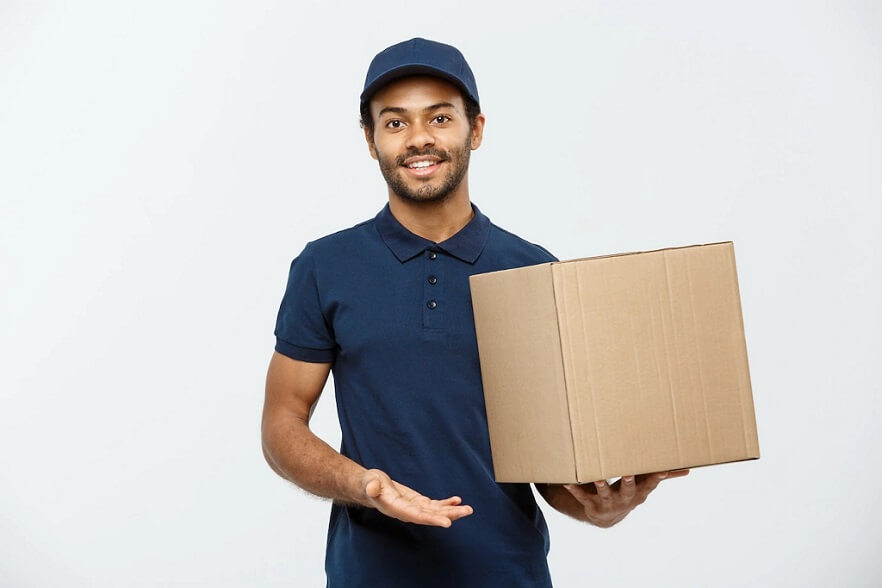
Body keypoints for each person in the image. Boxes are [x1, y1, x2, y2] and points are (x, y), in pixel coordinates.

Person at [261, 37, 689, 587]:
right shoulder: (326, 266)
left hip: (507, 574)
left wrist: (597, 507)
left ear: (476, 129)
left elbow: (550, 464)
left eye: (440, 117)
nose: (419, 138)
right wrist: (364, 484)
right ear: (370, 140)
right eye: (395, 123)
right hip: (369, 575)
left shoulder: (534, 271)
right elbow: (281, 422)